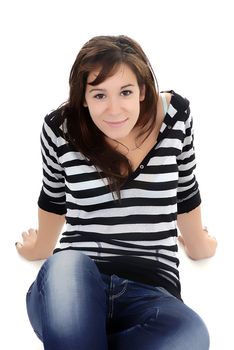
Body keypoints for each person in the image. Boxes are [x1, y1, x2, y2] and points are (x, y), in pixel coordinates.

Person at [16, 35, 217, 350]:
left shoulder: (175, 117)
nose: (113, 109)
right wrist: (38, 247)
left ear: (142, 91)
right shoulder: (60, 129)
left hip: (151, 292)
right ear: (82, 97)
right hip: (74, 282)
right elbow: (54, 197)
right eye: (99, 95)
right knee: (66, 265)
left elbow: (184, 188)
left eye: (125, 92)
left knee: (190, 336)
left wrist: (199, 245)